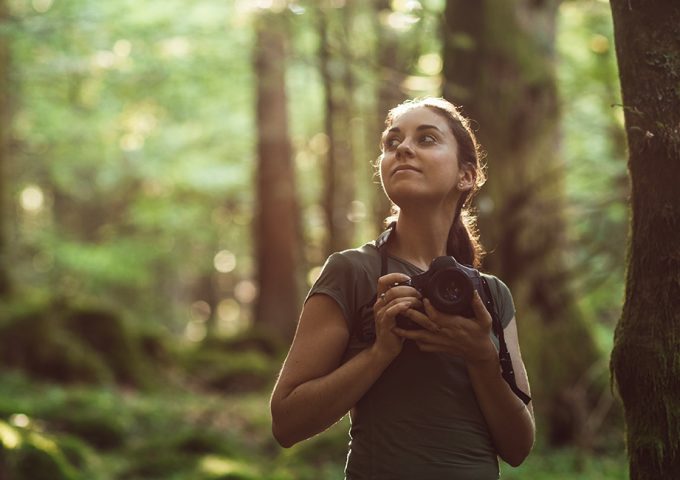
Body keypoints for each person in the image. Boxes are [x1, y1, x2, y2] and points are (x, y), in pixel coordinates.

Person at [270, 97, 534, 479]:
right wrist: (381, 352)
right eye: (392, 143)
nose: (403, 148)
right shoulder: (352, 271)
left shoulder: (490, 294)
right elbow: (286, 422)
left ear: (466, 176)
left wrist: (481, 357)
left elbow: (519, 447)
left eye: (426, 139)